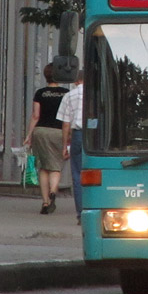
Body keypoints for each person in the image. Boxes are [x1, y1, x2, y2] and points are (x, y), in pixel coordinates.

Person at [24, 62, 69, 214]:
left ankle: (45, 202)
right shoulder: (65, 93)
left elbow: (36, 115)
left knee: (43, 167)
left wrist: (29, 134)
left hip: (41, 131)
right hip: (58, 131)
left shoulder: (40, 93)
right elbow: (67, 118)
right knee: (56, 166)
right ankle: (53, 191)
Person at [56, 70, 84, 225]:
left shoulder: (69, 96)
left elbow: (65, 123)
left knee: (77, 174)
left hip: (78, 136)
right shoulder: (98, 95)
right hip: (96, 137)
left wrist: (65, 145)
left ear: (76, 81)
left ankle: (81, 214)